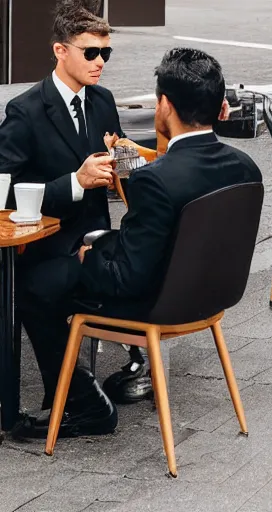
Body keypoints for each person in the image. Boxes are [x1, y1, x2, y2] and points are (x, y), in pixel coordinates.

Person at [13, 47, 262, 438]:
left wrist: (86, 258)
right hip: (213, 298)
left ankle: (82, 404)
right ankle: (110, 377)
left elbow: (125, 281)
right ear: (218, 104)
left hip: (157, 302)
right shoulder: (247, 167)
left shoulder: (157, 179)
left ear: (163, 104)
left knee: (34, 284)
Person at [0, 2, 122, 437]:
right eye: (91, 53)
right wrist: (75, 181)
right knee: (31, 288)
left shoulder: (104, 101)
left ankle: (82, 395)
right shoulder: (26, 110)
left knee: (40, 290)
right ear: (59, 50)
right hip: (45, 241)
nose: (100, 63)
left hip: (98, 240)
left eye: (106, 53)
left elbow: (115, 171)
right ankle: (76, 393)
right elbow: (5, 190)